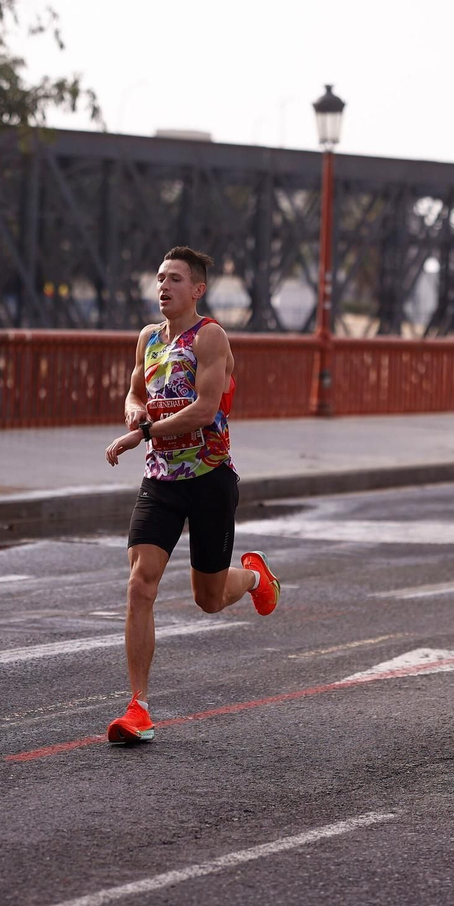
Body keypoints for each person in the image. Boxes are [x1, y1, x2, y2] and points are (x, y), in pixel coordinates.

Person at [102, 246, 281, 744]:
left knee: (208, 599)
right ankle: (137, 707)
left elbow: (205, 409)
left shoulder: (211, 337)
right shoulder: (148, 339)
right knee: (140, 585)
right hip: (160, 481)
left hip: (208, 479)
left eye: (175, 279)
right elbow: (135, 392)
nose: (163, 286)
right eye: (159, 277)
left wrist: (143, 433)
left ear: (197, 289)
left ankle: (250, 576)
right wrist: (134, 411)